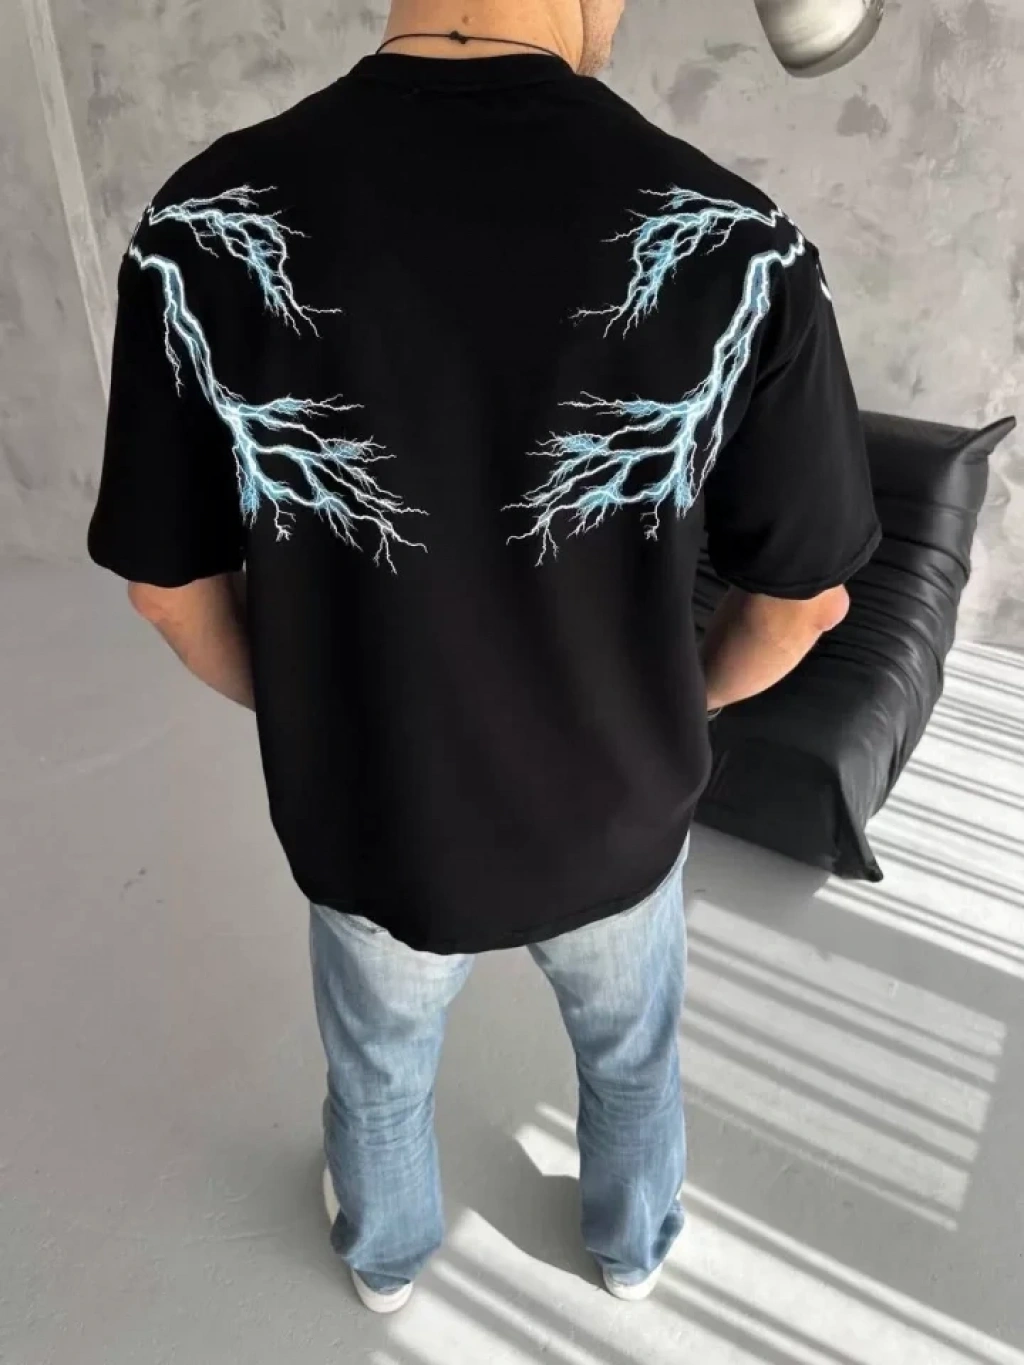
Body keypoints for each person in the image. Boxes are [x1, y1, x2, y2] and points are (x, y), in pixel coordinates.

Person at [88, 0, 880, 1315]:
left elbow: (167, 592)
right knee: (632, 1063)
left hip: (376, 813)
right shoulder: (740, 245)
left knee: (379, 1070)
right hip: (617, 811)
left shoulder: (201, 228)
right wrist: (671, 708)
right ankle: (631, 1249)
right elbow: (804, 603)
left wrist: (318, 710)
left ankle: (386, 1259)